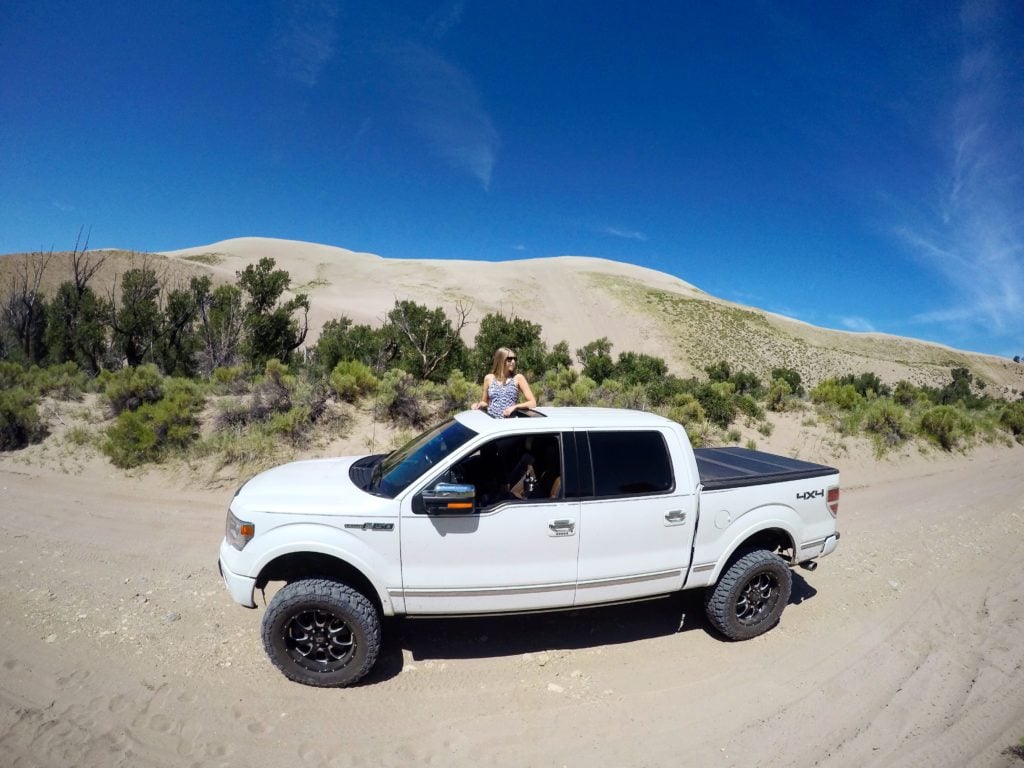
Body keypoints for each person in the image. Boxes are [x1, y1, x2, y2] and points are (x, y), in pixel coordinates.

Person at [472, 347, 537, 418]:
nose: (513, 362)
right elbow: (485, 402)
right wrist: (478, 405)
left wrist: (515, 407)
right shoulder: (488, 378)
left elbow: (533, 403)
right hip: (492, 423)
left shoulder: (518, 378)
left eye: (514, 359)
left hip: (509, 423)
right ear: (500, 360)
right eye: (509, 359)